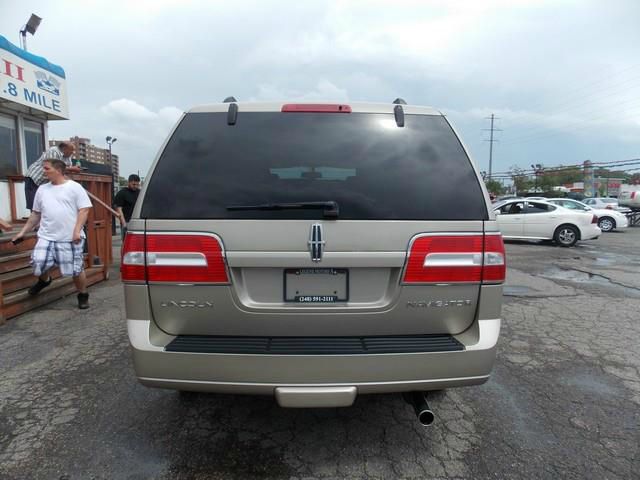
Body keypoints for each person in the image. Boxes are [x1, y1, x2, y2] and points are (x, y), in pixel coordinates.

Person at [12, 158, 93, 309]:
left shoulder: (74, 188)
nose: (44, 171)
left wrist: (76, 231)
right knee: (38, 262)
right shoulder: (42, 190)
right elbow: (36, 214)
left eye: (47, 168)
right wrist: (22, 232)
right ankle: (45, 280)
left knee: (75, 270)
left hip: (70, 237)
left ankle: (82, 294)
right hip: (46, 236)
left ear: (59, 170)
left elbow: (84, 210)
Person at [24, 141, 81, 211]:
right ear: (64, 148)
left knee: (45, 204)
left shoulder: (67, 156)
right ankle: (35, 221)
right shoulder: (53, 151)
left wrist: (73, 169)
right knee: (34, 205)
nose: (72, 152)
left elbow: (65, 168)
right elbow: (53, 168)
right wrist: (72, 169)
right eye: (71, 150)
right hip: (34, 178)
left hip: (45, 181)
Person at [114, 174, 141, 239]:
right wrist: (124, 224)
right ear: (128, 182)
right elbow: (119, 209)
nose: (135, 186)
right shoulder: (122, 193)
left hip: (138, 221)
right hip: (127, 221)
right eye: (134, 184)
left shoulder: (140, 192)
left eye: (137, 184)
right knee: (126, 242)